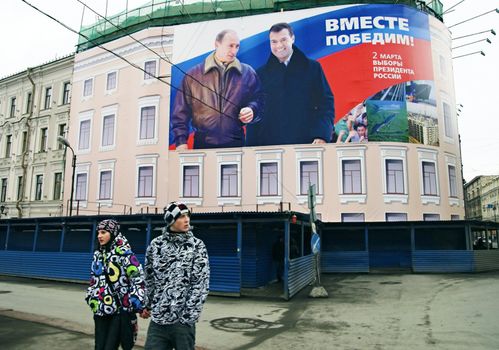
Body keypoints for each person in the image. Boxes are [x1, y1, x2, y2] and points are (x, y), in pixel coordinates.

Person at [246, 22, 335, 146]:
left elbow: (326, 104)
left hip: (307, 144)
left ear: (292, 38)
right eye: (274, 41)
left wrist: (321, 135)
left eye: (283, 40)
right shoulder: (260, 74)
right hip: (270, 148)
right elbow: (255, 113)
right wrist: (251, 147)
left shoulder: (312, 68)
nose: (279, 45)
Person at [171, 29, 262, 149]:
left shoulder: (247, 73)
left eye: (237, 46)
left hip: (236, 144)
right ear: (217, 44)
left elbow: (260, 99)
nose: (234, 51)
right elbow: (180, 113)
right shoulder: (193, 75)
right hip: (202, 145)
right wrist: (181, 142)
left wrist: (252, 109)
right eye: (230, 46)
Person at [141, 202, 210, 350]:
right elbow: (149, 278)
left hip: (182, 323)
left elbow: (201, 283)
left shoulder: (197, 246)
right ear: (171, 220)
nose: (187, 220)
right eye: (181, 216)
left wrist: (188, 317)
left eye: (188, 216)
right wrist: (147, 304)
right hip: (158, 320)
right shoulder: (156, 245)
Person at [85, 219, 145, 350]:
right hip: (100, 310)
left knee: (110, 347)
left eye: (103, 232)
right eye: (98, 232)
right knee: (99, 347)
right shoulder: (98, 254)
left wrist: (136, 302)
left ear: (113, 233)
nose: (99, 236)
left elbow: (138, 278)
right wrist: (91, 297)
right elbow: (94, 279)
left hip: (118, 312)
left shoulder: (124, 252)